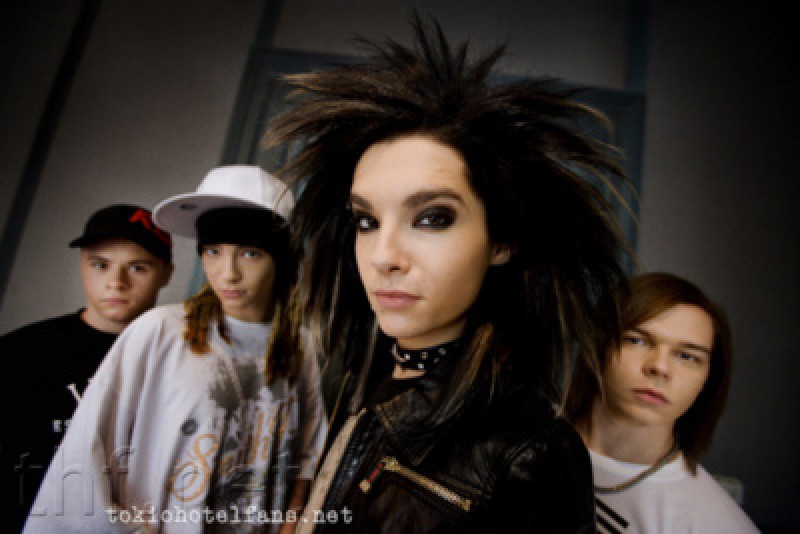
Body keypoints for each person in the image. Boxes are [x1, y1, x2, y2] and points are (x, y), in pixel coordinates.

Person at [267, 16, 630, 532]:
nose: (383, 256)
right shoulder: (354, 377)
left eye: (432, 218)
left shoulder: (531, 452)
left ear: (501, 240)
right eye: (367, 221)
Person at [24, 165, 326, 533]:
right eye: (213, 251)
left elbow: (305, 460)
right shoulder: (160, 331)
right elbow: (84, 457)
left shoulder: (299, 346)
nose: (228, 273)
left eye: (250, 254)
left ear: (280, 258)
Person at [0, 203, 173, 530]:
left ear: (166, 274)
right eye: (101, 265)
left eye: (138, 268)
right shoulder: (20, 353)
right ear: (82, 264)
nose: (116, 282)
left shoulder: (178, 361)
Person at [567, 272, 759, 533]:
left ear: (708, 379)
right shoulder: (522, 442)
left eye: (687, 356)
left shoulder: (715, 524)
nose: (659, 367)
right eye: (636, 340)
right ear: (598, 347)